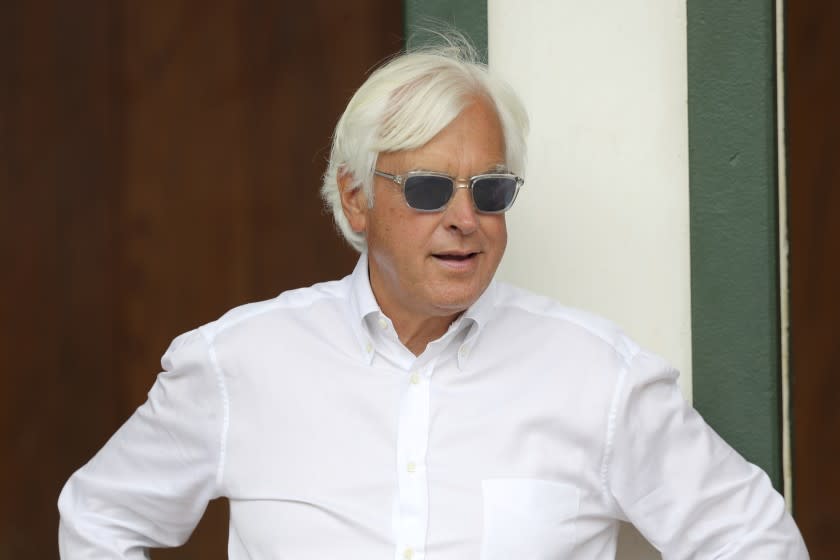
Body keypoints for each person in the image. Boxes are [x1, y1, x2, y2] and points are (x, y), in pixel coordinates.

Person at [58, 36, 809, 559]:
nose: (463, 218)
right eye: (425, 188)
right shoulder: (239, 363)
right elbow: (98, 515)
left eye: (488, 190)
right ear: (355, 203)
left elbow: (751, 540)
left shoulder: (599, 377)